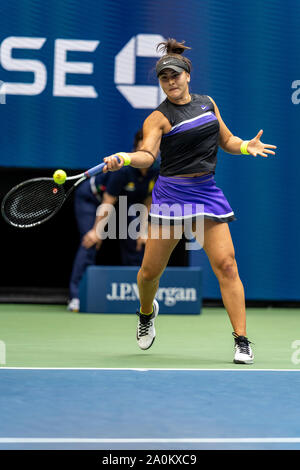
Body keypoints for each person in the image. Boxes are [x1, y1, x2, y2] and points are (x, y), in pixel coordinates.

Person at [100, 38, 277, 364]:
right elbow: (148, 155)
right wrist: (125, 157)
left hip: (206, 194)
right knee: (149, 274)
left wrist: (244, 146)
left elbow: (226, 139)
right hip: (170, 196)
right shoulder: (157, 118)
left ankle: (241, 340)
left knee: (227, 265)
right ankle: (145, 312)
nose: (171, 82)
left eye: (175, 76)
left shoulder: (207, 104)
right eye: (165, 78)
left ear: (187, 76)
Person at [67, 129, 159, 312]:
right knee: (91, 241)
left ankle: (137, 296)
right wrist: (97, 230)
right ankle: (76, 297)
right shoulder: (124, 169)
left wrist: (143, 230)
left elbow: (148, 200)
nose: (149, 148)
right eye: (144, 143)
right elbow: (108, 202)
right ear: (137, 147)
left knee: (138, 241)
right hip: (94, 199)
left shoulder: (156, 169)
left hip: (125, 204)